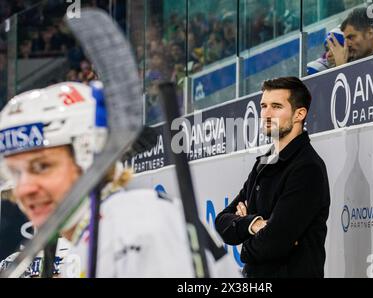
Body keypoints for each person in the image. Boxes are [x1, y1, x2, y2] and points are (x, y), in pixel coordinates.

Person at [0, 81, 238, 278]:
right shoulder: (101, 231)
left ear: (91, 156)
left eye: (42, 166)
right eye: (15, 173)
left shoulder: (138, 228)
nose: (24, 189)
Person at [215, 77, 331, 278]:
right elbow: (222, 222)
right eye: (263, 106)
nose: (266, 114)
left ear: (299, 114)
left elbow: (273, 243)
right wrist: (255, 224)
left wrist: (244, 236)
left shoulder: (307, 168)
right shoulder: (263, 163)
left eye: (276, 106)